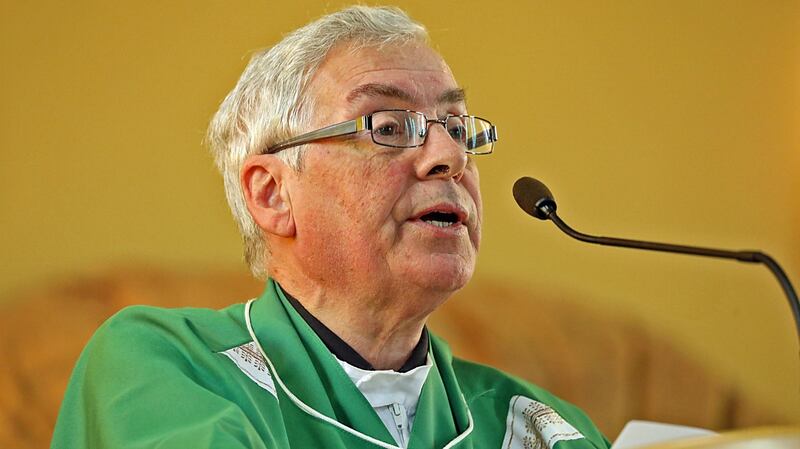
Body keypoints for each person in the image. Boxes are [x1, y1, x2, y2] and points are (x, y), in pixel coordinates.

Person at [51, 6, 610, 449]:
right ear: (272, 194)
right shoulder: (166, 365)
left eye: (458, 127)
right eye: (388, 126)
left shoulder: (542, 427)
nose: (449, 156)